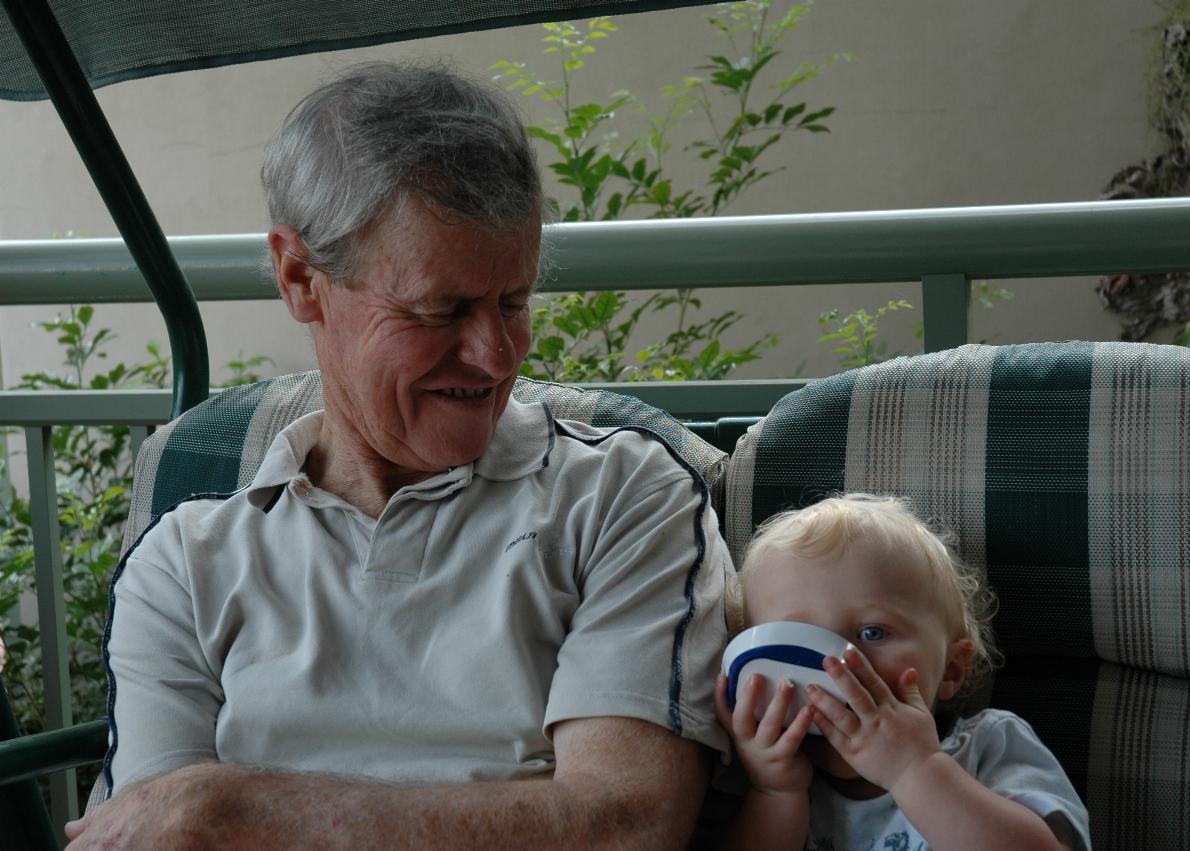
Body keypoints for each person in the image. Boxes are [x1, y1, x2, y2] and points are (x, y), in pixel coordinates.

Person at [68, 61, 731, 849]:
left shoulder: (624, 495)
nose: (494, 354)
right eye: (438, 310)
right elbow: (151, 838)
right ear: (300, 278)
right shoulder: (184, 565)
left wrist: (233, 810)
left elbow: (625, 823)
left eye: (513, 302)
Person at [714, 493, 1089, 851]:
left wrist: (913, 769)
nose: (837, 669)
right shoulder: (770, 774)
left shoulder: (987, 745)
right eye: (800, 642)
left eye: (872, 633)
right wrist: (775, 793)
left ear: (951, 669)